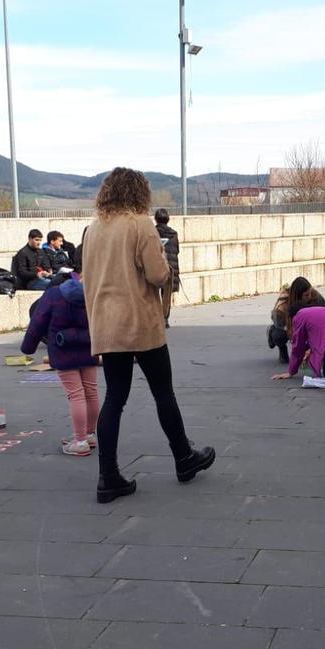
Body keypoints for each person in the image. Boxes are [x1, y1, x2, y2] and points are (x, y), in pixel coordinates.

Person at [82, 167, 215, 503]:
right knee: (162, 391)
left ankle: (107, 476)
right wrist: (165, 264)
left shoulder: (93, 229)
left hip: (107, 325)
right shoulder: (140, 224)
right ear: (139, 192)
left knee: (114, 398)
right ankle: (183, 457)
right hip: (139, 322)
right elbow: (157, 275)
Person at [21, 248, 101, 457]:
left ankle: (80, 441)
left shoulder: (54, 294)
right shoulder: (95, 294)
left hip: (63, 349)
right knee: (91, 391)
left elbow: (38, 322)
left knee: (76, 394)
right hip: (89, 347)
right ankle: (90, 434)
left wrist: (28, 348)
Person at [267, 277, 325, 364]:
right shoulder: (282, 305)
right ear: (297, 296)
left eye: (310, 293)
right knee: (279, 335)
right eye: (306, 295)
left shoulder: (314, 295)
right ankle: (281, 347)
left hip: (308, 324)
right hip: (285, 325)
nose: (309, 297)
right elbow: (279, 321)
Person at [153, 209, 181, 328]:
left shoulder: (152, 233)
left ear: (156, 219)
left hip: (155, 267)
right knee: (166, 295)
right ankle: (165, 319)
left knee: (153, 294)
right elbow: (177, 250)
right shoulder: (174, 234)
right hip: (170, 267)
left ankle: (155, 319)